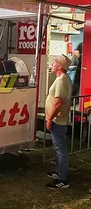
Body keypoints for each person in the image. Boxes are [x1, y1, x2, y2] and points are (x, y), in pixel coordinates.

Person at [45, 54, 72, 189]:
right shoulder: (62, 78)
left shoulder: (61, 80)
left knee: (60, 149)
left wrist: (49, 118)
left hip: (58, 120)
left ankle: (62, 180)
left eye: (54, 62)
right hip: (59, 119)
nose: (52, 64)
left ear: (59, 67)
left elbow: (58, 103)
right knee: (58, 148)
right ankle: (59, 173)